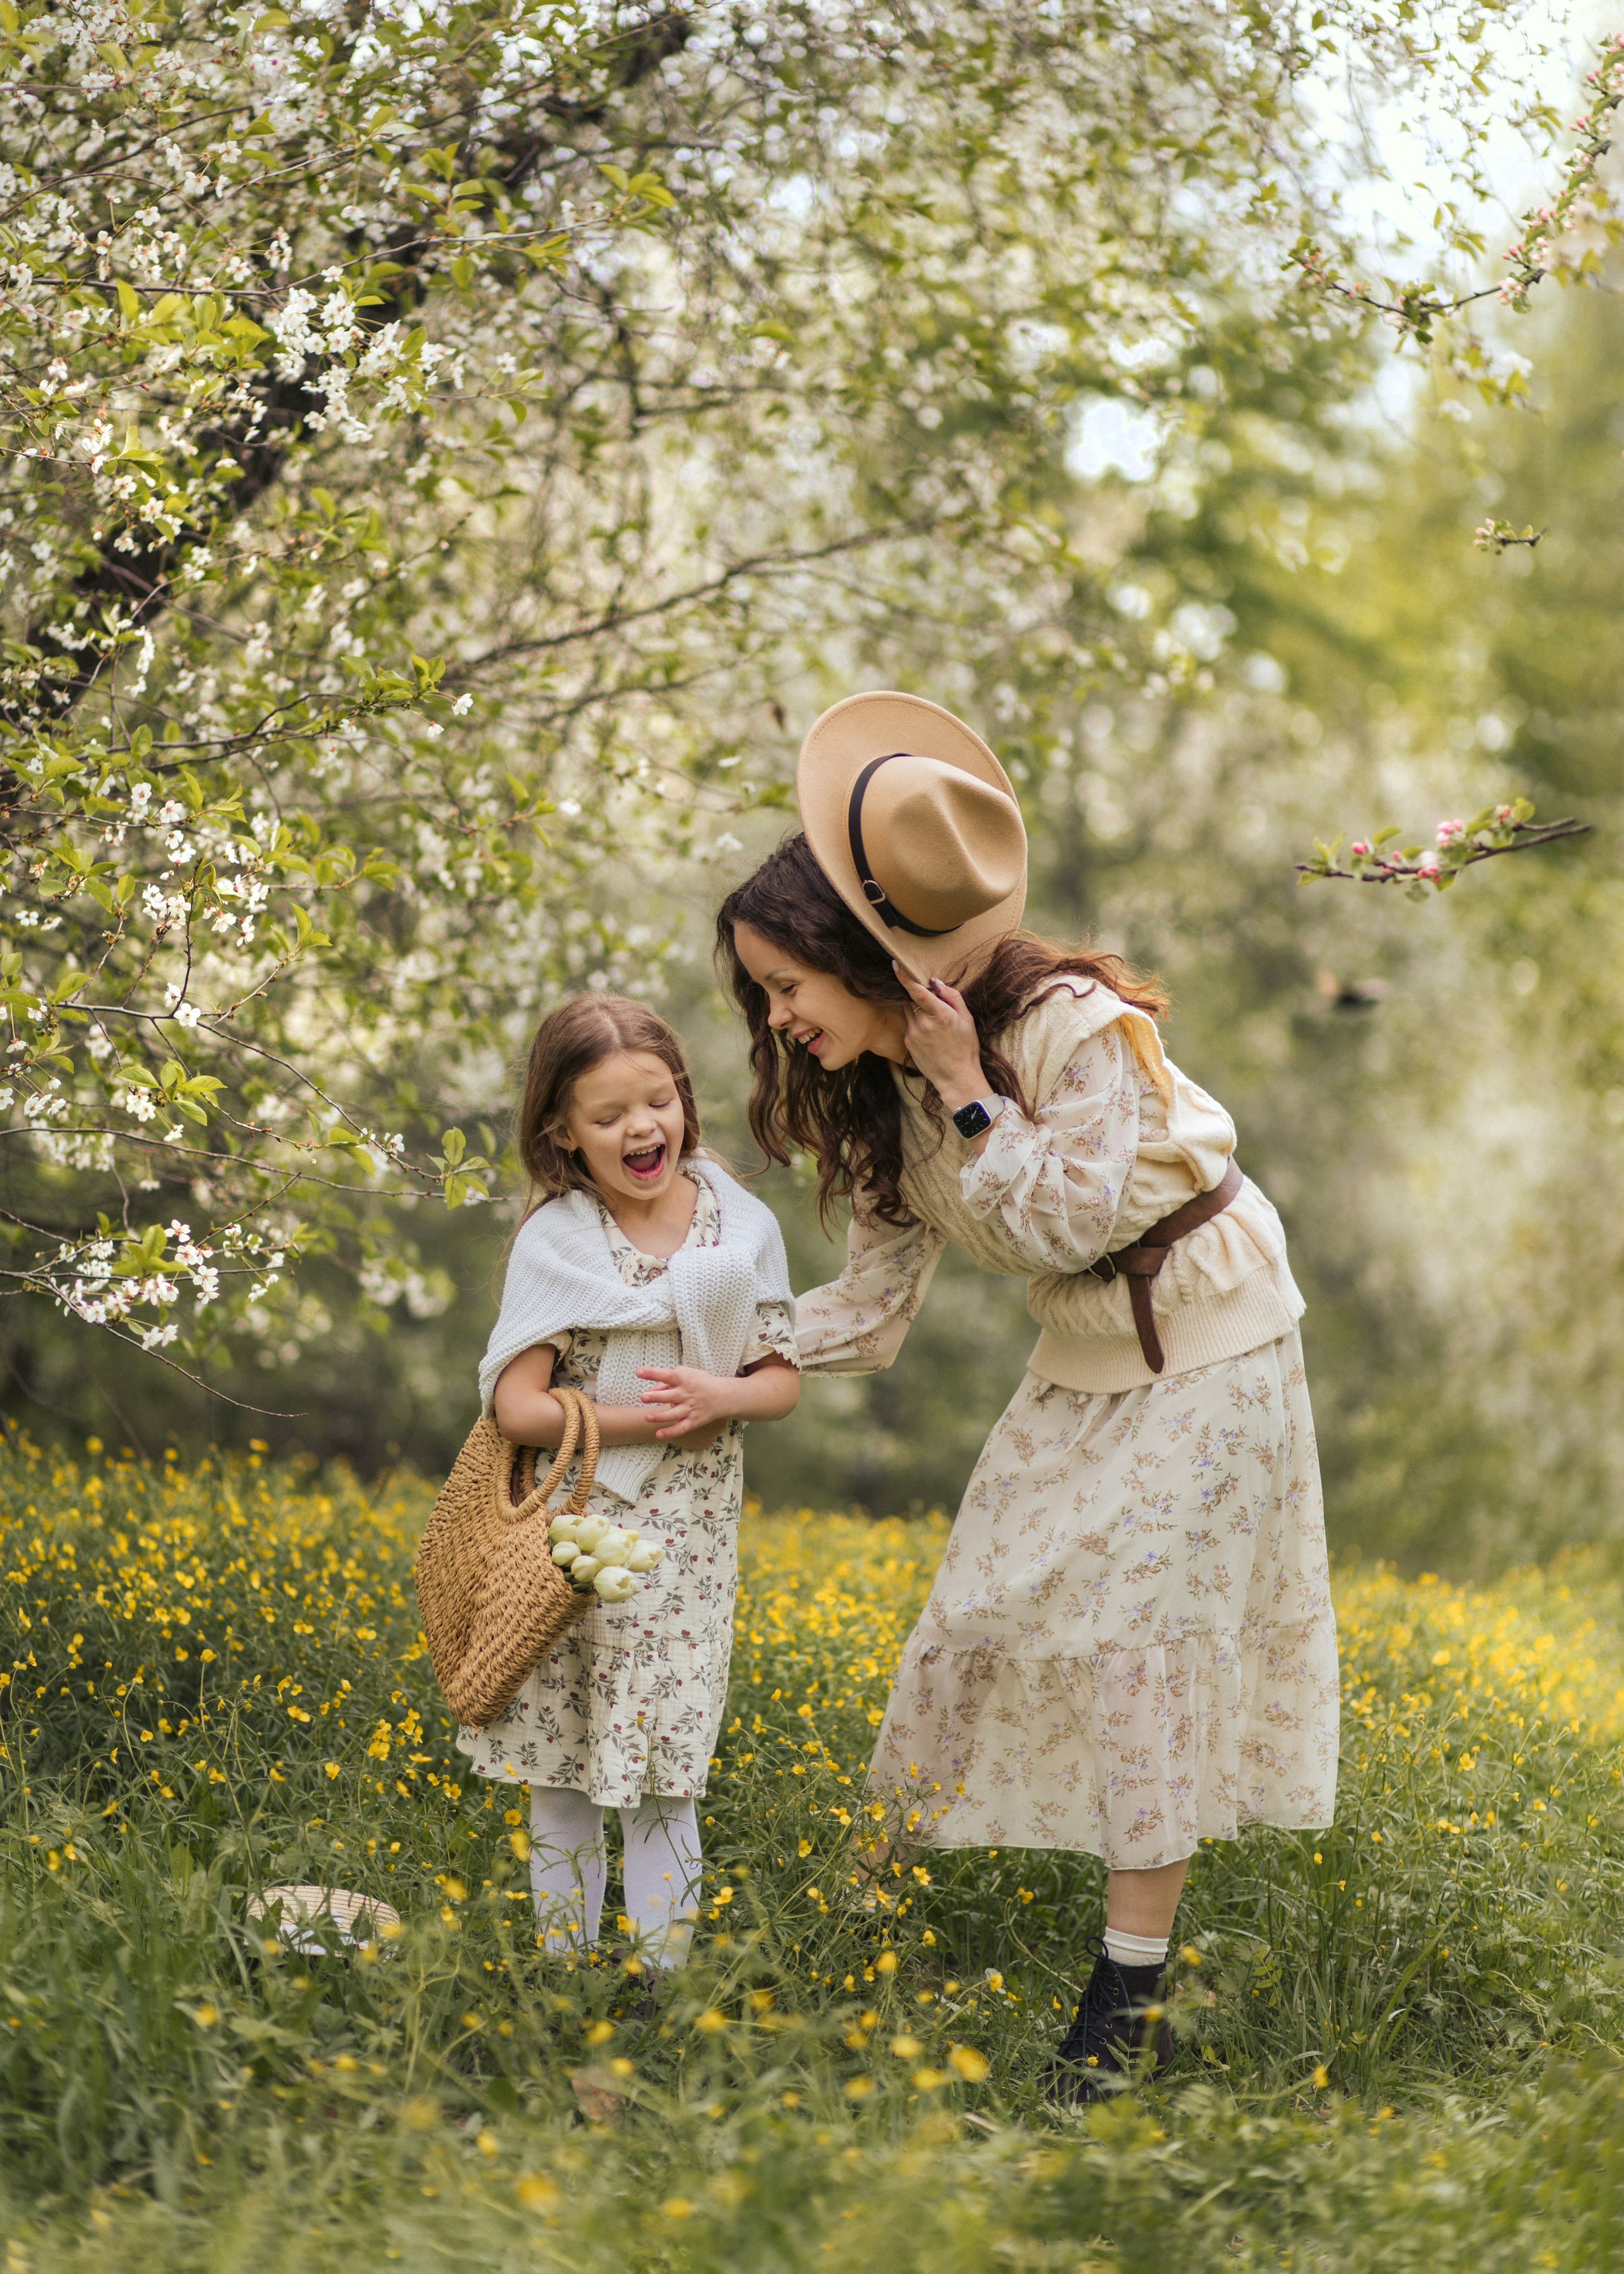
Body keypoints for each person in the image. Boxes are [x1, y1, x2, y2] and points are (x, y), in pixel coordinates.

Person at [716, 690, 1338, 2100]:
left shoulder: (1070, 1029)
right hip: (1084, 1352)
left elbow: (1063, 1217)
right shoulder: (882, 1089)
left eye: (786, 984)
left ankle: (1127, 2001)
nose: (774, 1015)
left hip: (1212, 1338)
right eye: (759, 991)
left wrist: (973, 1093)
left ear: (861, 954)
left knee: (1139, 1638)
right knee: (972, 1606)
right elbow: (868, 1313)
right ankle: (854, 1925)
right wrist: (699, 1342)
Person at [455, 993, 799, 1971]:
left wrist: (724, 1398)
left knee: (664, 1776)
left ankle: (661, 1989)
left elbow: (780, 1380)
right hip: (567, 1545)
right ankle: (565, 1974)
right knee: (561, 1774)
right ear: (564, 1133)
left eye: (656, 1103)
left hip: (684, 1549)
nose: (639, 1129)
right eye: (606, 1118)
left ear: (683, 1101)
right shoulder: (558, 1239)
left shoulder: (741, 1229)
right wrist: (653, 1418)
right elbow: (517, 1408)